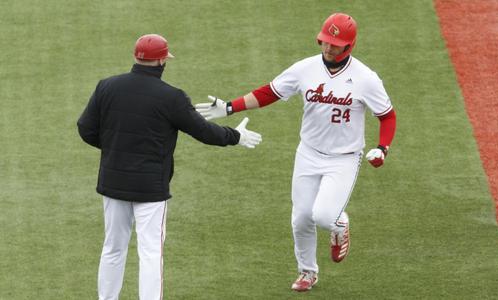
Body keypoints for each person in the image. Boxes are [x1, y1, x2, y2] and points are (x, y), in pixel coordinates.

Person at [195, 13, 397, 292]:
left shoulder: (365, 78)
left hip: (344, 158)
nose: (328, 48)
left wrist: (382, 149)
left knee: (324, 216)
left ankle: (340, 224)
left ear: (349, 46)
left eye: (335, 44)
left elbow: (387, 116)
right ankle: (307, 272)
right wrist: (230, 107)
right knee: (301, 217)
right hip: (309, 153)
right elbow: (270, 92)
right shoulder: (305, 68)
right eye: (325, 42)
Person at [77, 34, 262, 300]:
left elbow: (86, 129)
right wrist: (236, 136)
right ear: (163, 59)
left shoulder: (107, 86)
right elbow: (204, 131)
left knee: (113, 248)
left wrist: (114, 150)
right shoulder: (171, 97)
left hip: (113, 182)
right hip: (150, 188)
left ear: (135, 56)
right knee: (151, 252)